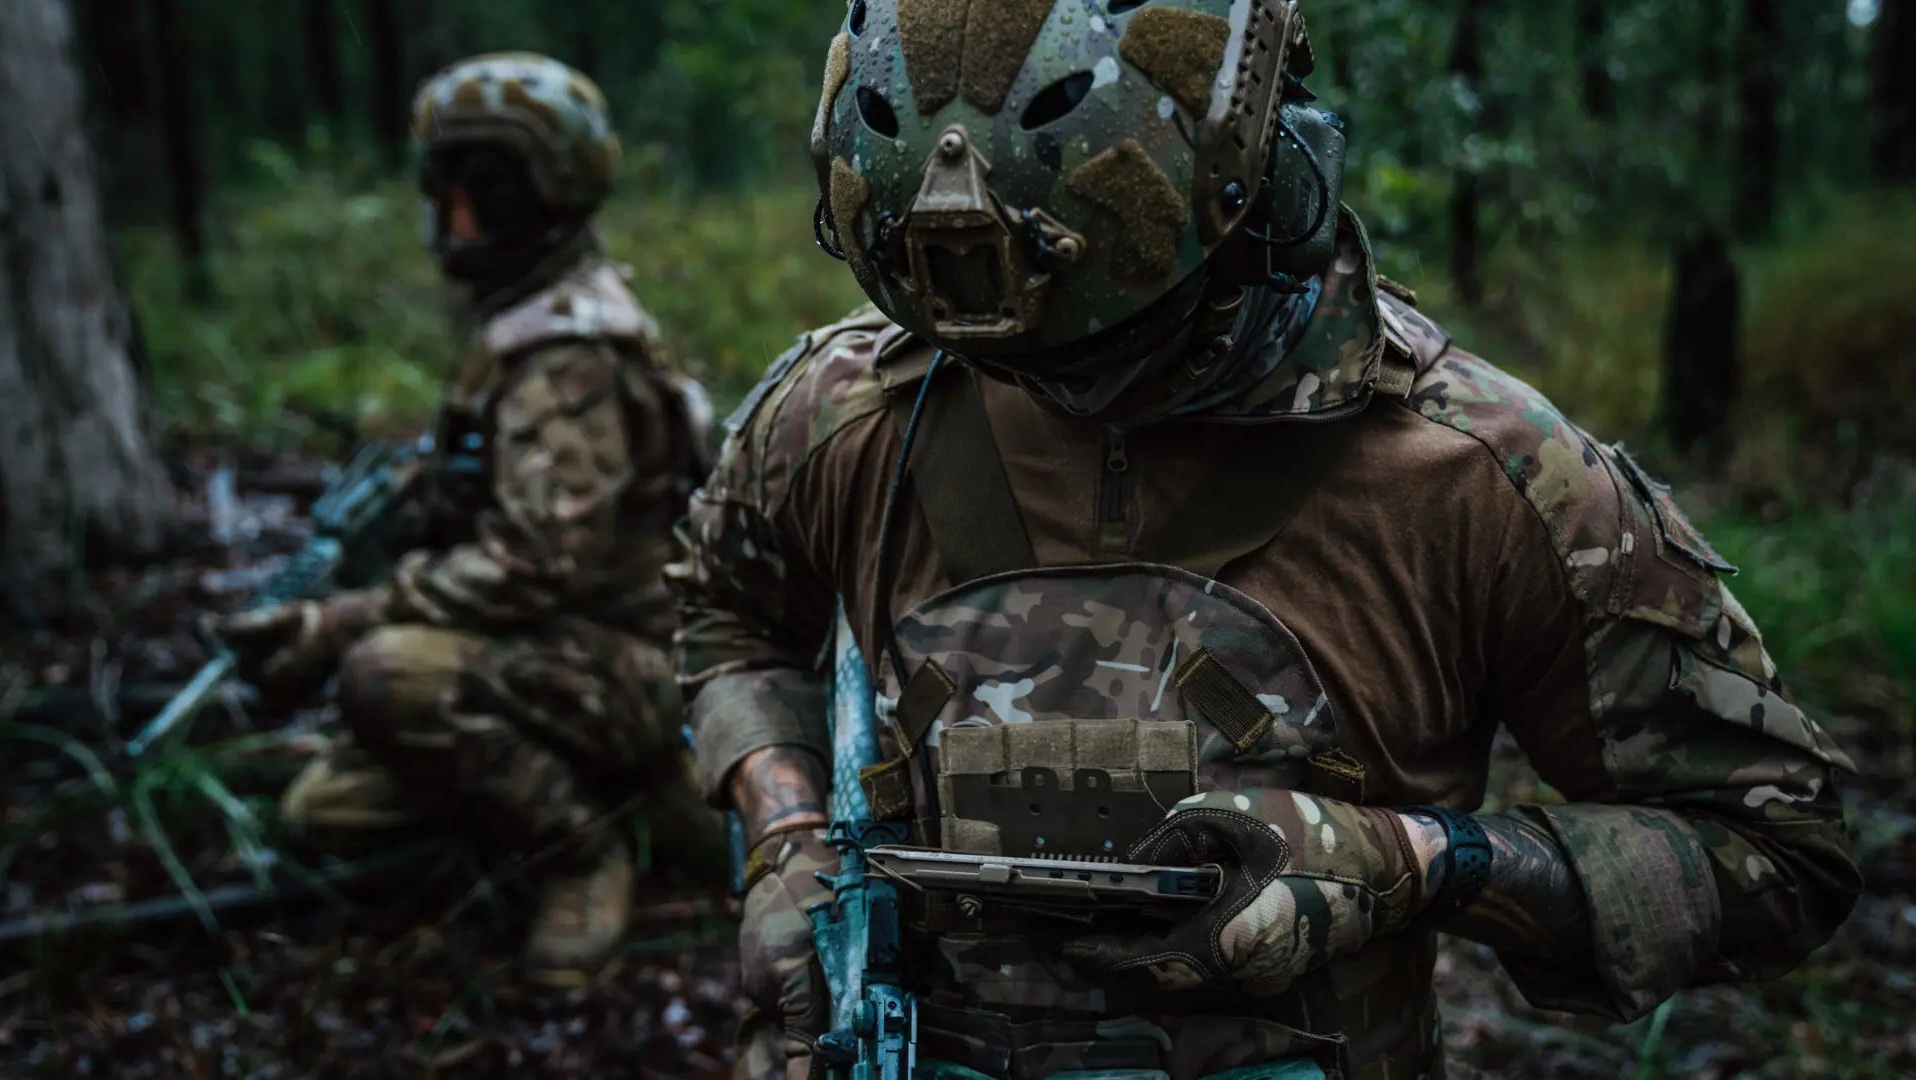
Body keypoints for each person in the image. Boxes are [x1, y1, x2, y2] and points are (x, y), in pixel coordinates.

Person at [669, 3, 1861, 1078]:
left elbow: (1776, 851)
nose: (1046, 390)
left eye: (1096, 341)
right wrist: (786, 838)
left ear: (1261, 186)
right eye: (994, 357)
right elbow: (731, 618)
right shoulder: (844, 417)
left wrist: (1416, 865)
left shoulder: (1484, 475)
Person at [221, 52, 716, 983]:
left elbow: (538, 563)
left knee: (386, 677)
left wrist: (349, 621)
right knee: (329, 810)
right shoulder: (527, 321)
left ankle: (583, 854)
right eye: (443, 188)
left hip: (633, 664)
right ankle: (597, 790)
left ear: (547, 196)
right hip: (555, 655)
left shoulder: (567, 357)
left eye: (483, 189)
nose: (452, 218)